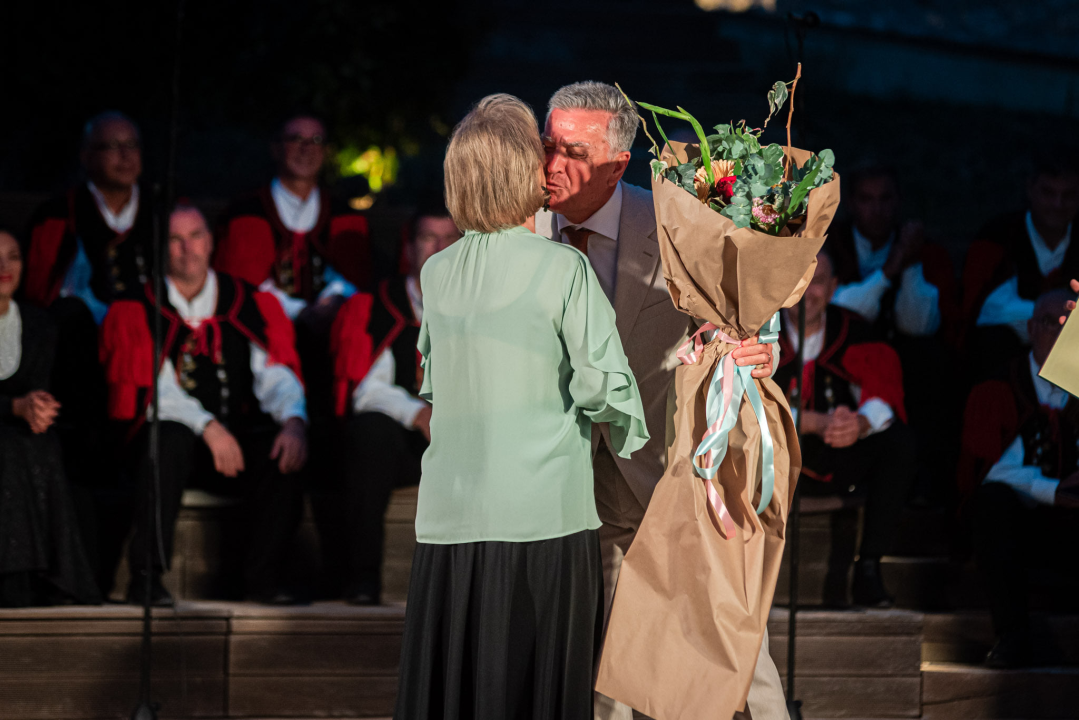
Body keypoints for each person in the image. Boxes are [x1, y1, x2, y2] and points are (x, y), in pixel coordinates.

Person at [531, 81, 783, 720]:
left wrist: (763, 347)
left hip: (663, 462)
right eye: (547, 145)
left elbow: (747, 302)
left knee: (721, 621)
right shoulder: (518, 227)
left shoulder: (678, 223)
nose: (551, 165)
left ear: (617, 166)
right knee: (597, 658)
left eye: (574, 152)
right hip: (549, 477)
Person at [395, 94, 649, 719]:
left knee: (457, 689)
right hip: (543, 518)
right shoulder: (563, 268)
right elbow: (602, 389)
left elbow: (434, 384)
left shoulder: (436, 272)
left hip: (449, 521)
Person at [100, 205, 308, 606]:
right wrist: (208, 427)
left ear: (211, 242)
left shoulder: (246, 301)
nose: (186, 250)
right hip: (170, 452)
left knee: (283, 447)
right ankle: (145, 577)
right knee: (168, 435)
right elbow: (153, 390)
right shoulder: (136, 306)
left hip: (232, 449)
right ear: (163, 248)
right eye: (175, 240)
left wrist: (294, 420)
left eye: (195, 236)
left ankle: (263, 580)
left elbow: (275, 375)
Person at [23, 112, 154, 588]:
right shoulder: (61, 215)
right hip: (79, 371)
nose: (123, 156)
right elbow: (39, 299)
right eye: (109, 147)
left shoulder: (161, 213)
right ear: (85, 157)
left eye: (131, 145)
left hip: (148, 366)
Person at [329, 201, 460, 605]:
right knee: (370, 431)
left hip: (463, 440)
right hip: (403, 446)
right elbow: (366, 389)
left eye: (447, 238)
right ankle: (362, 578)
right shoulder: (375, 306)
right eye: (427, 238)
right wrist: (419, 413)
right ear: (409, 248)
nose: (438, 248)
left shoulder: (480, 307)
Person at [773, 250, 916, 608]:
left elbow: (883, 393)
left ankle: (868, 568)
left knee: (898, 443)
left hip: (836, 457)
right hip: (774, 462)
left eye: (817, 281)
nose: (808, 292)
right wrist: (810, 421)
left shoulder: (853, 329)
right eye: (799, 281)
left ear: (834, 287)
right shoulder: (760, 331)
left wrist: (860, 423)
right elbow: (739, 402)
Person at [959, 288, 1079, 668]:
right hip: (1021, 525)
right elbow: (987, 470)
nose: (1060, 333)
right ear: (1030, 328)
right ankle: (1012, 636)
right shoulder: (996, 388)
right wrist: (1053, 491)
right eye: (1049, 323)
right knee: (993, 503)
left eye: (1070, 324)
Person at [0, 229, 100, 607]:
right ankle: (12, 581)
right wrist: (13, 407)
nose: (3, 267)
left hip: (23, 428)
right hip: (6, 426)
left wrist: (40, 408)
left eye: (13, 256)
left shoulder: (39, 323)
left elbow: (39, 383)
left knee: (43, 444)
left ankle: (41, 578)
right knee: (10, 448)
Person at [962, 152, 1079, 369]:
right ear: (1030, 190)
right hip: (1008, 359)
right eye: (1048, 192)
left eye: (1068, 195)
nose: (1057, 204)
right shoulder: (997, 237)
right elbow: (983, 310)